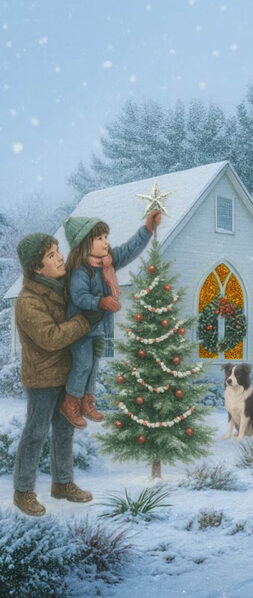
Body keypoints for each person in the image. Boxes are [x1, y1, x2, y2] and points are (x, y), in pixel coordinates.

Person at [12, 233, 101, 516]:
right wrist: (84, 322)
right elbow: (50, 337)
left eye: (57, 251)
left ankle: (62, 483)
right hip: (42, 378)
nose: (60, 257)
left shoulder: (61, 288)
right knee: (36, 432)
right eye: (51, 255)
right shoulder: (28, 301)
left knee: (64, 430)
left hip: (66, 373)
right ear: (37, 268)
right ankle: (23, 491)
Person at [61, 213, 157, 428]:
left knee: (93, 366)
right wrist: (102, 302)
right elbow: (79, 296)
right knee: (82, 365)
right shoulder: (80, 271)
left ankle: (87, 400)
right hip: (80, 328)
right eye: (100, 239)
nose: (106, 242)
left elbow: (128, 250)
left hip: (97, 329)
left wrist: (147, 230)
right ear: (86, 244)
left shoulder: (106, 264)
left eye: (106, 237)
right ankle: (71, 402)